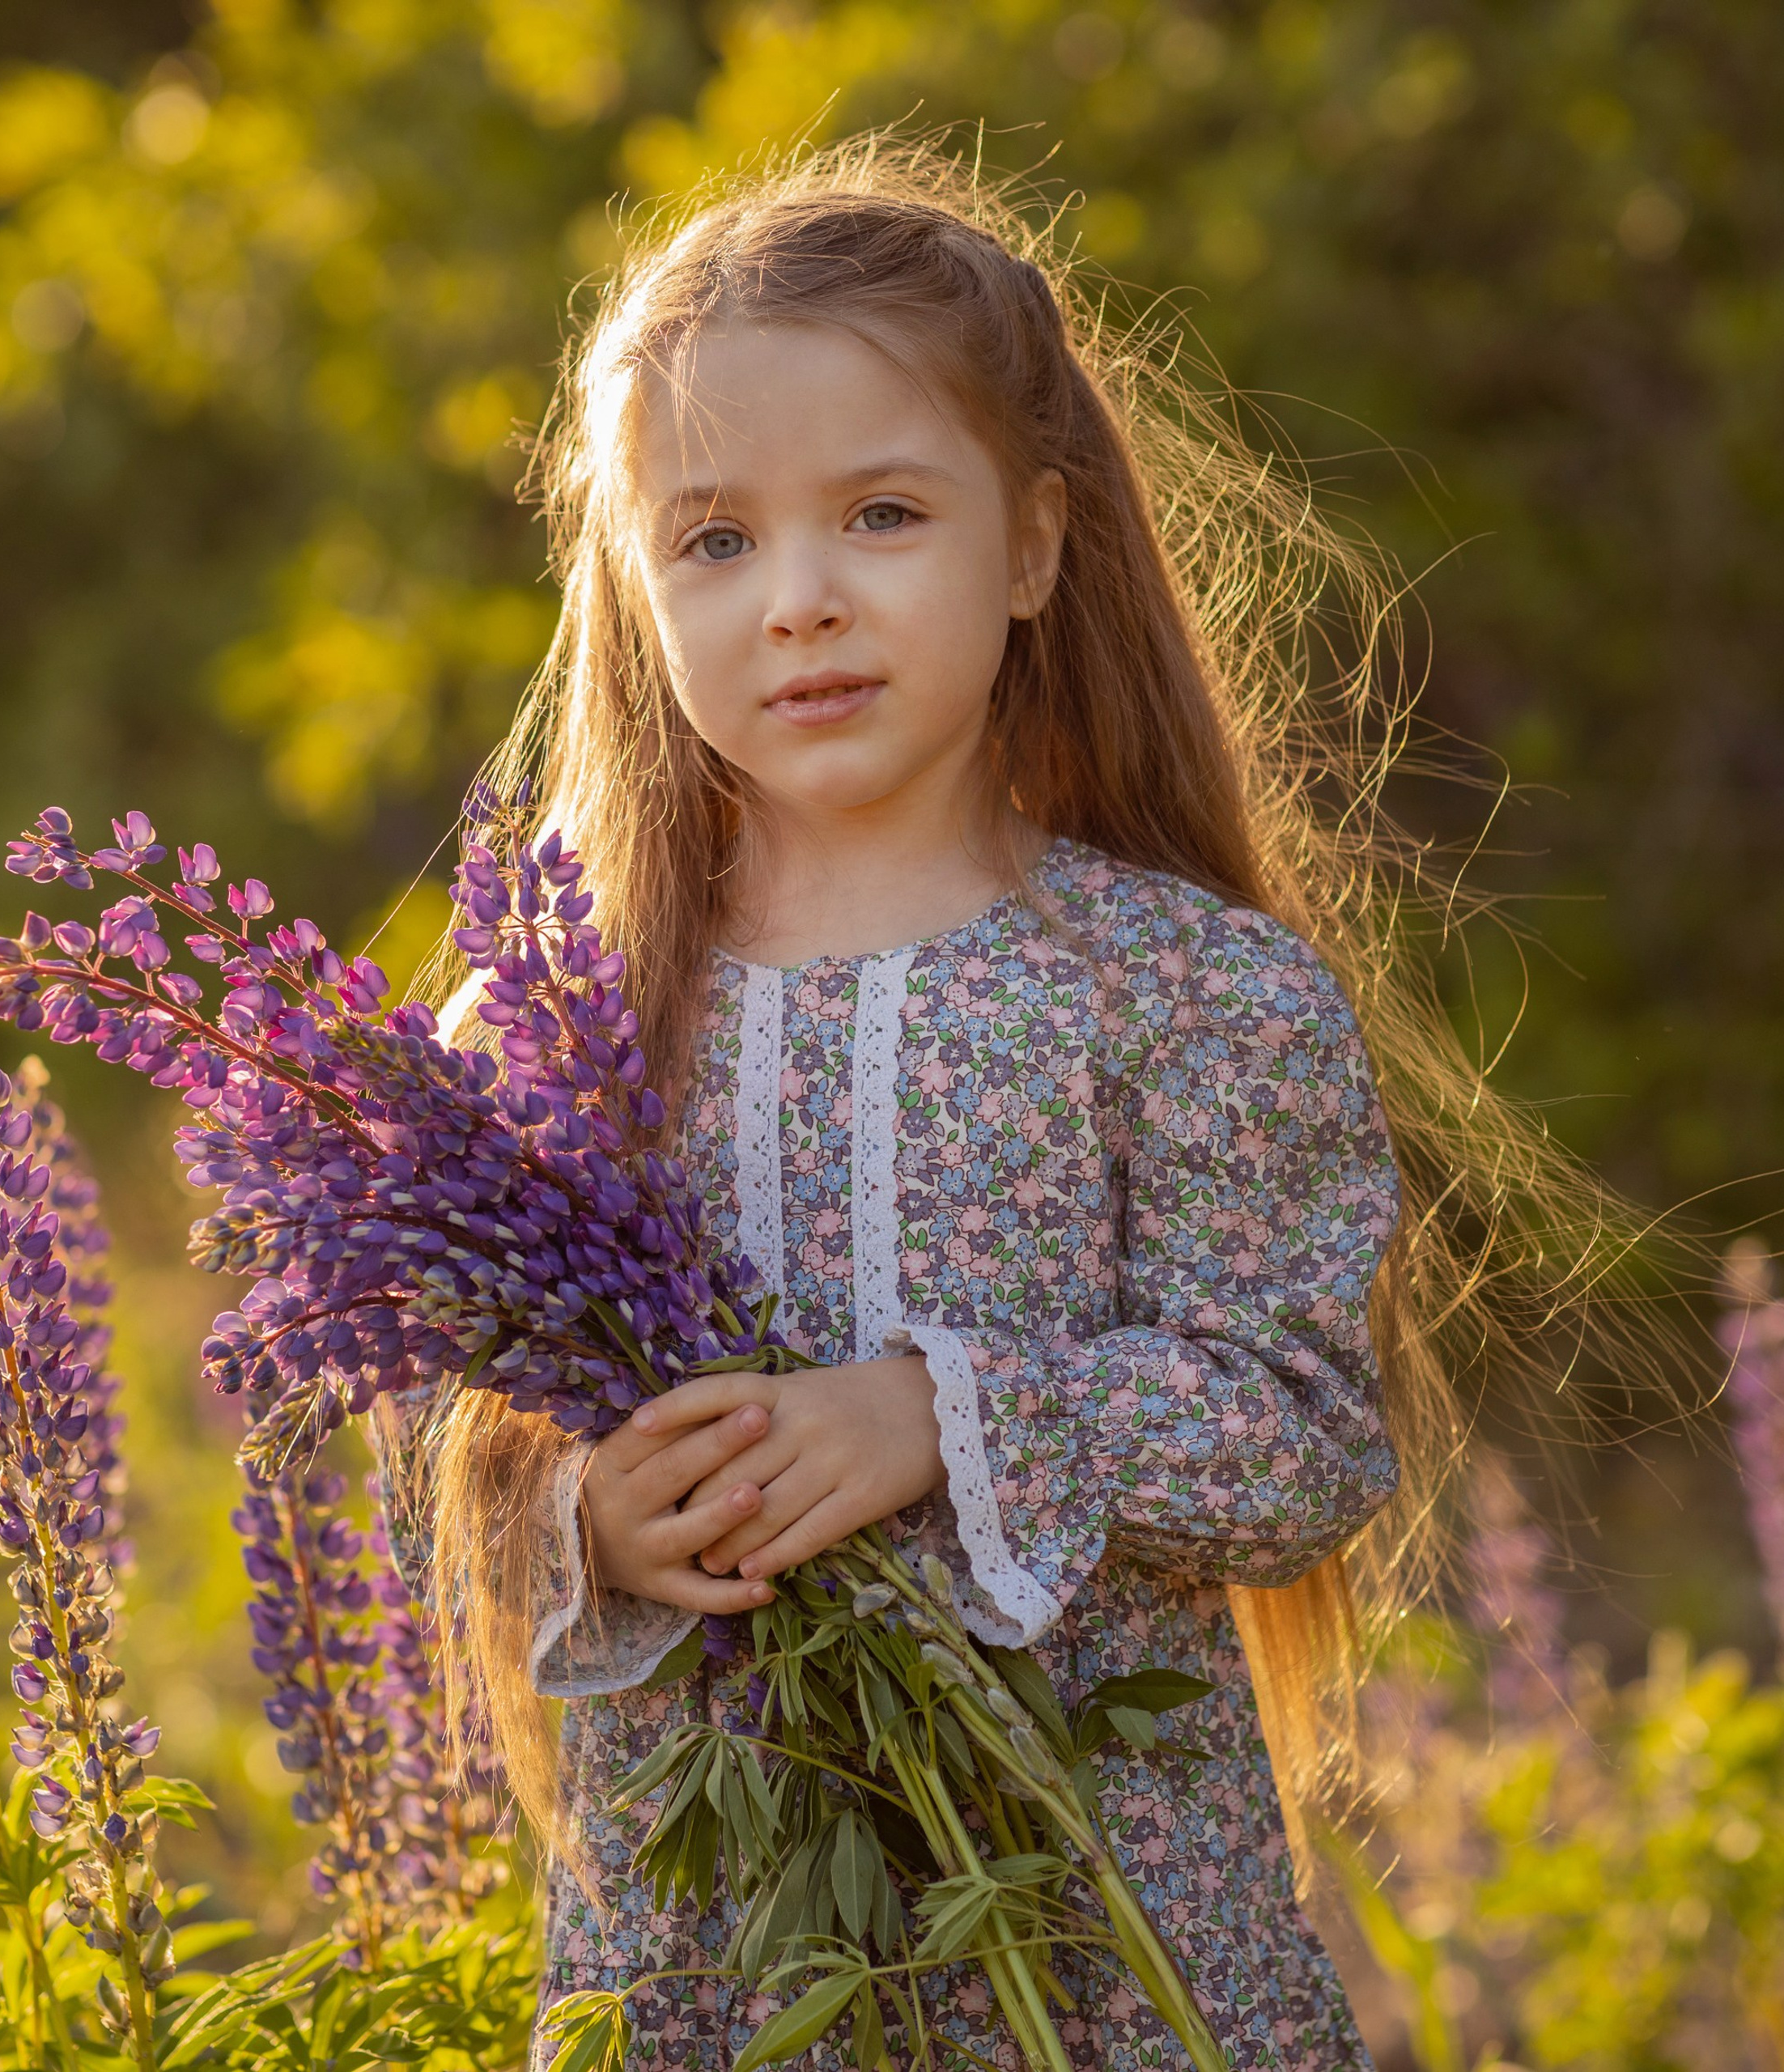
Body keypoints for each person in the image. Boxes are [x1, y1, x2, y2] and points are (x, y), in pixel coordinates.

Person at [394, 139, 1654, 2069]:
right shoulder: (554, 1019)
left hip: (1098, 1914)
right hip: (717, 1939)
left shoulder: (1181, 988)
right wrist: (587, 1514)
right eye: (712, 540)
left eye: (880, 513)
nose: (796, 600)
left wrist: (944, 1414)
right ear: (632, 590)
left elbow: (1301, 1429)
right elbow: (470, 1445)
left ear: (1036, 546)